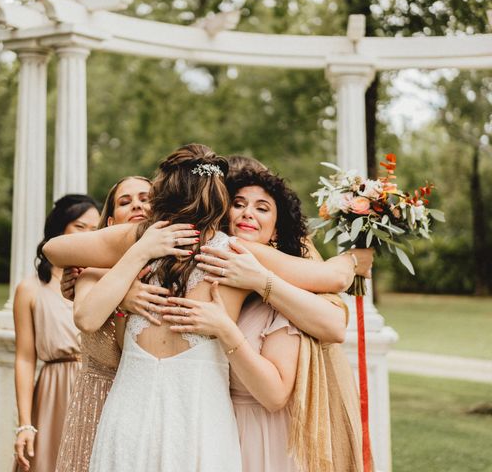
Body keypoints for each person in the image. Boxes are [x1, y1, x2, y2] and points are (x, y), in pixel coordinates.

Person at [44, 144, 358, 471]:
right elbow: (330, 277)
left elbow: (53, 248)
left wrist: (138, 248)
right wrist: (353, 259)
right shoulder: (234, 251)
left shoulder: (145, 238)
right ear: (220, 199)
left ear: (163, 193)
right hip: (192, 418)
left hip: (146, 415)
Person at [163, 165, 373, 471]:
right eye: (238, 204)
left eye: (262, 208)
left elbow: (333, 323)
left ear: (275, 231)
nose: (248, 213)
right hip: (208, 432)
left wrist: (260, 279)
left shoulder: (286, 294)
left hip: (263, 438)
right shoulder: (196, 275)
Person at [54, 176, 155, 472]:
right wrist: (122, 297)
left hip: (146, 405)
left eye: (145, 198)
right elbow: (86, 318)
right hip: (95, 403)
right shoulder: (89, 272)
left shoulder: (170, 273)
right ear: (110, 222)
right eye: (126, 201)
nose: (137, 204)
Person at [13, 194, 100, 472]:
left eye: (95, 230)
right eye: (79, 227)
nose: (88, 236)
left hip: (96, 385)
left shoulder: (104, 280)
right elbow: (25, 359)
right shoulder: (30, 289)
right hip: (52, 392)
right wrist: (25, 423)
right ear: (58, 230)